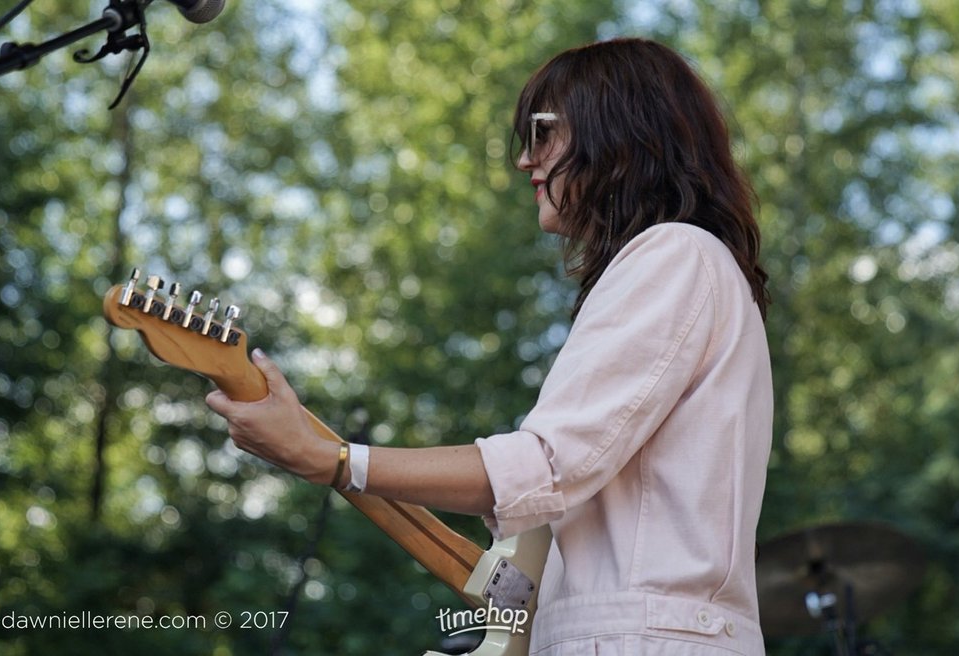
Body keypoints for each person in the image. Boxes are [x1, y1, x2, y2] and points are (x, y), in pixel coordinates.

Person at [206, 37, 773, 655]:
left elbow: (549, 465)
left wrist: (335, 461)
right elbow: (554, 507)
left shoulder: (675, 253)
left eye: (544, 132)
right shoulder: (683, 265)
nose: (525, 160)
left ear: (619, 130)